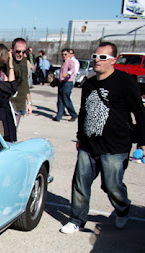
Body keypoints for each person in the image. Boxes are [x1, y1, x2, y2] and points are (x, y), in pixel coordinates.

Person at [60, 42, 145, 234]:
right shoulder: (89, 83)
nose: (97, 60)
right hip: (88, 145)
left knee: (112, 185)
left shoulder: (125, 82)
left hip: (115, 146)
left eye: (103, 57)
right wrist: (80, 137)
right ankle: (77, 219)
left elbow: (139, 112)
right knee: (80, 183)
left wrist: (143, 141)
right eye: (95, 56)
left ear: (113, 60)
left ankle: (123, 209)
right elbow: (84, 112)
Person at [4, 38, 32, 128]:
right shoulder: (5, 61)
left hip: (19, 103)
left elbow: (25, 83)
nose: (21, 54)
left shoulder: (24, 61)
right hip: (8, 102)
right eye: (18, 51)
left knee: (13, 132)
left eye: (23, 52)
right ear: (12, 50)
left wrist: (29, 102)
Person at [53, 48, 78, 122]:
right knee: (60, 99)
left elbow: (73, 69)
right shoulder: (64, 62)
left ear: (69, 54)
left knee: (66, 99)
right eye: (62, 54)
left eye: (65, 54)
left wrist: (68, 73)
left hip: (68, 83)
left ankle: (73, 114)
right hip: (62, 82)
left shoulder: (71, 62)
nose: (64, 56)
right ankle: (59, 115)